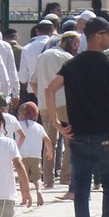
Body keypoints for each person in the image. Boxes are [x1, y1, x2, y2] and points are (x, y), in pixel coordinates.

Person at [46, 17, 109, 217]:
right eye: (108, 34)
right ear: (96, 36)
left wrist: (56, 123)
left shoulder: (72, 65)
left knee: (81, 189)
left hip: (79, 135)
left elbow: (49, 89)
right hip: (105, 133)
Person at [33, 31, 79, 190]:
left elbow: (33, 81)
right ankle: (65, 177)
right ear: (71, 43)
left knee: (48, 142)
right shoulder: (67, 58)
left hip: (44, 104)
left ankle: (48, 179)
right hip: (63, 103)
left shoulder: (43, 56)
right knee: (69, 140)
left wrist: (41, 96)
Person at [16, 102, 52, 206]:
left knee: (23, 179)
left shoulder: (18, 125)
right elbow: (47, 140)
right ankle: (39, 191)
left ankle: (24, 199)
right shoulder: (39, 127)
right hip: (36, 157)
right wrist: (49, 151)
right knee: (37, 178)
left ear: (22, 114)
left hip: (21, 157)